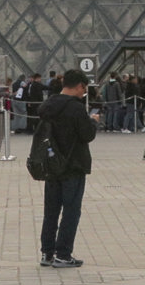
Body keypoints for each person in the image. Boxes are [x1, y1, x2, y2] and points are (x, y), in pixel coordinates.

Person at [38, 69, 100, 268]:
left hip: (51, 164)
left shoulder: (48, 105)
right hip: (73, 164)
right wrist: (93, 122)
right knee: (71, 210)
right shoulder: (75, 108)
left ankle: (47, 253)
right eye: (85, 89)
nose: (84, 93)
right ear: (80, 86)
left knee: (51, 210)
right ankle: (63, 254)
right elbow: (87, 135)